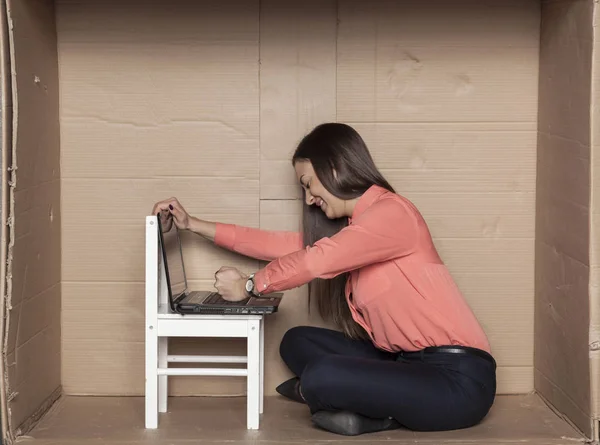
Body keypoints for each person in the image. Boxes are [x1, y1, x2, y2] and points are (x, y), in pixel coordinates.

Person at [152, 122, 496, 436]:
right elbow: (280, 245)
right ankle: (363, 402)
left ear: (333, 168)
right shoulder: (355, 229)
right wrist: (192, 224)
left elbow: (317, 260)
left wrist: (249, 286)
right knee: (297, 342)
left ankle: (358, 402)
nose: (308, 199)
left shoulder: (393, 214)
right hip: (402, 362)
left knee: (321, 374)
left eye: (308, 184)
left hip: (456, 379)